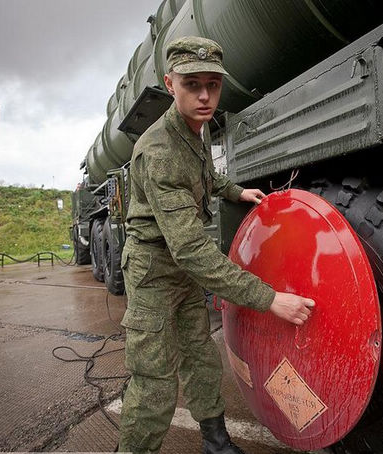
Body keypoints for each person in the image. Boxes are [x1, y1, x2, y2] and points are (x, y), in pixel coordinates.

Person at [118, 36, 316, 454]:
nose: (205, 96)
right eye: (193, 84)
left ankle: (215, 441)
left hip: (184, 271)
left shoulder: (197, 127)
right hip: (154, 271)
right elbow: (191, 251)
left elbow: (205, 174)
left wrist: (235, 191)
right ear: (170, 84)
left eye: (213, 83)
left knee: (202, 361)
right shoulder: (157, 151)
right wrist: (268, 299)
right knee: (153, 381)